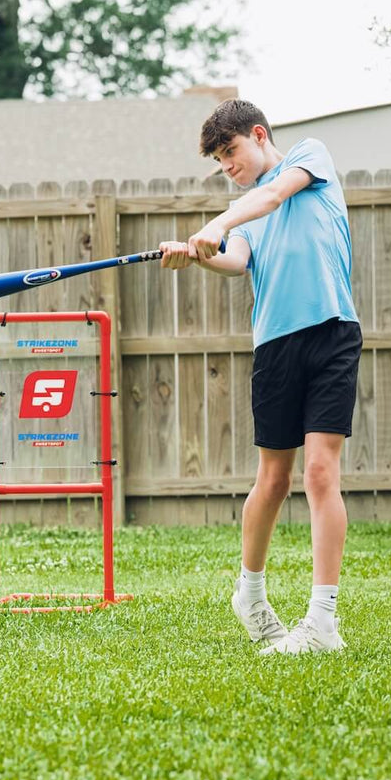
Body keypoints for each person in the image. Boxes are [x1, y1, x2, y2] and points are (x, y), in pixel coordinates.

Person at [158, 99, 361, 655]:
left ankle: (322, 621)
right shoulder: (242, 211)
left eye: (231, 152)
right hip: (275, 344)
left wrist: (216, 224)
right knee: (272, 480)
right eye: (220, 160)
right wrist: (196, 255)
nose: (228, 165)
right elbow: (238, 259)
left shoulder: (307, 159)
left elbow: (268, 197)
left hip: (333, 333)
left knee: (321, 473)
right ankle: (249, 593)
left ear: (258, 134)